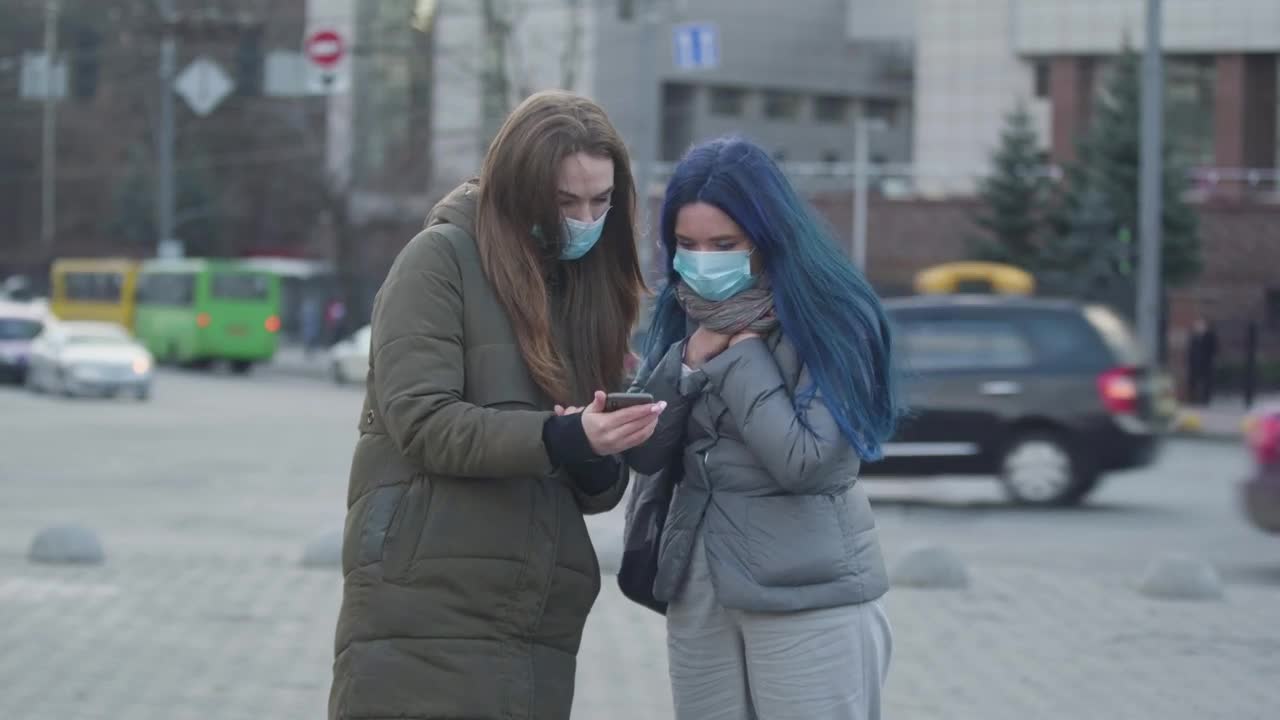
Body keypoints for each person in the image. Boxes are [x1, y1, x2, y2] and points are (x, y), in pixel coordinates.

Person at [329, 90, 664, 720]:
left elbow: (592, 487)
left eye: (600, 201)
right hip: (427, 609)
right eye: (566, 201)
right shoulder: (439, 260)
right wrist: (562, 439)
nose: (585, 218)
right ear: (520, 190)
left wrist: (600, 449)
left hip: (535, 619)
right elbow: (422, 421)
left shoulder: (584, 289)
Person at [625, 137, 904, 720]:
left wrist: (737, 355)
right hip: (700, 585)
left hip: (805, 592)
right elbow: (645, 453)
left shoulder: (836, 320)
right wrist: (687, 362)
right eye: (686, 244)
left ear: (767, 238)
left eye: (723, 244)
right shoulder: (689, 313)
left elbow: (808, 461)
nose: (703, 261)